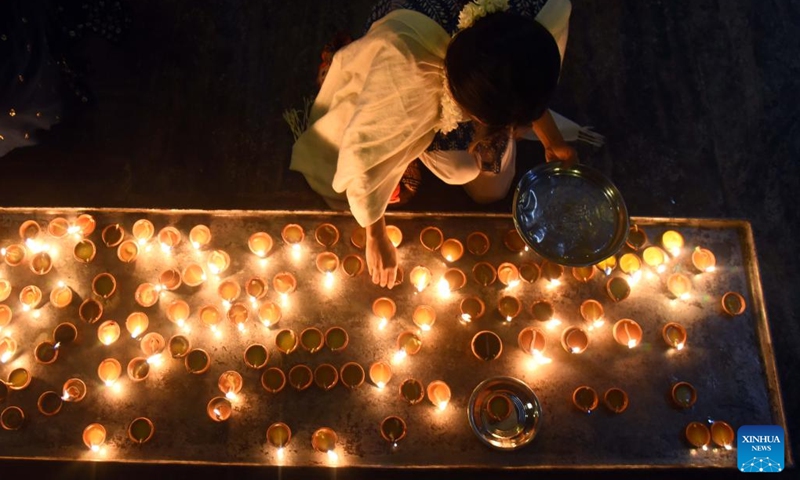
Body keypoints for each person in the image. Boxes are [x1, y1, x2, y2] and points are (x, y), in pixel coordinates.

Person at [290, 0, 578, 289]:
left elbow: (524, 76)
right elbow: (366, 152)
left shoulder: (543, 11)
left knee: (492, 190)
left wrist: (552, 140)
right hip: (415, 40)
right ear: (469, 109)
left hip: (479, 74)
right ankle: (417, 151)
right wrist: (375, 234)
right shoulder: (408, 67)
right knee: (460, 169)